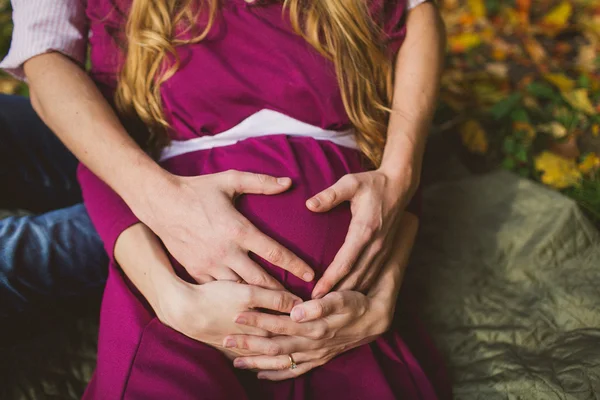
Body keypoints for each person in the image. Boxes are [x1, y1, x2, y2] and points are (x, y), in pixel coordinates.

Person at [2, 0, 448, 397]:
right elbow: (53, 68)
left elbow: (415, 15)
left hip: (322, 302)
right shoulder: (134, 39)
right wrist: (164, 289)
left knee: (30, 252)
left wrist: (396, 233)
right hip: (142, 160)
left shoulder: (352, 37)